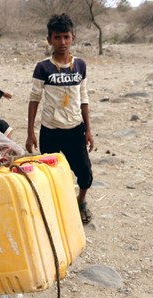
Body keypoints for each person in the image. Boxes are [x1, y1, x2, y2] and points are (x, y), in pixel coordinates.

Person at [25, 13, 95, 225]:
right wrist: (30, 133)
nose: (62, 42)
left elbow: (84, 98)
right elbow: (34, 99)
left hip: (75, 130)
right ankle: (52, 208)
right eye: (57, 37)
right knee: (48, 175)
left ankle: (81, 201)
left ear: (73, 37)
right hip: (50, 131)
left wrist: (88, 130)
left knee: (85, 174)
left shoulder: (80, 65)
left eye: (66, 37)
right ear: (49, 40)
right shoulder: (43, 68)